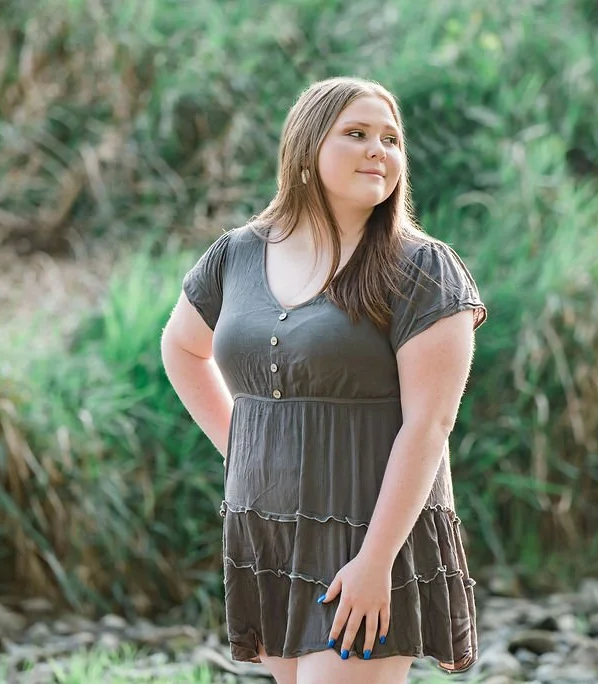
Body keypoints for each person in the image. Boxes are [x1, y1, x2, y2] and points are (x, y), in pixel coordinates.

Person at [160, 76, 487, 684]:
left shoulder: (421, 268)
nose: (378, 150)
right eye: (357, 134)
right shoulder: (236, 255)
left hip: (373, 534)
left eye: (391, 139)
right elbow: (181, 347)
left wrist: (376, 560)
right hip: (271, 532)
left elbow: (431, 422)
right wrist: (242, 451)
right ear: (307, 149)